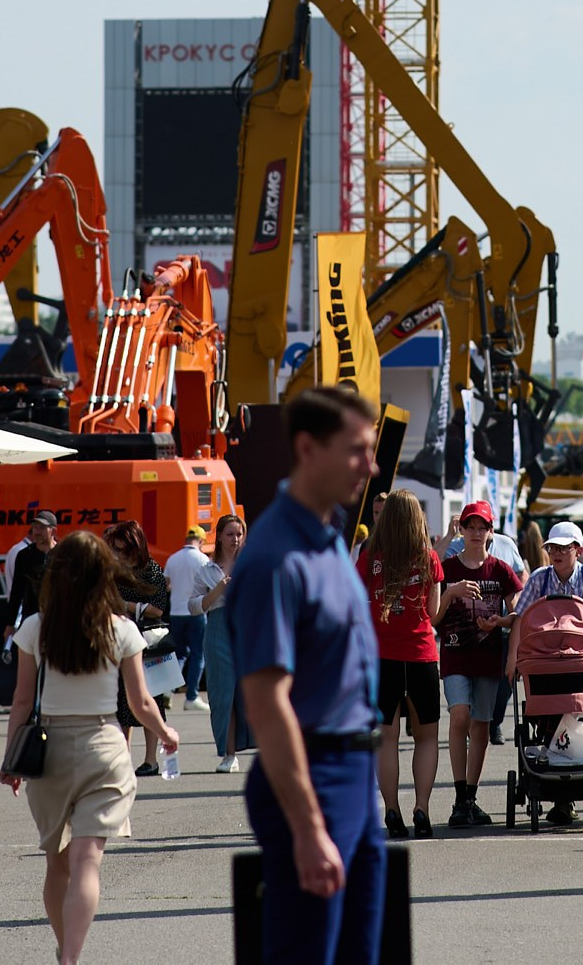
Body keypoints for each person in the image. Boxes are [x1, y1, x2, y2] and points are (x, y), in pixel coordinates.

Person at [230, 385, 387, 965]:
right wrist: (307, 825)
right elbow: (268, 706)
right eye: (356, 450)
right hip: (312, 780)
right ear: (306, 449)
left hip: (352, 777)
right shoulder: (276, 558)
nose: (369, 466)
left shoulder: (329, 542)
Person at [2, 530, 179, 965]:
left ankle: (67, 951)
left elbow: (22, 701)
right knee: (87, 862)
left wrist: (11, 759)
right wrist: (167, 732)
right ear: (104, 573)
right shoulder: (121, 628)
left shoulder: (35, 627)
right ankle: (71, 958)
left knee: (56, 863)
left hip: (50, 750)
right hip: (104, 745)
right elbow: (139, 703)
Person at [356, 490, 456, 841]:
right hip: (421, 656)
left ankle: (392, 810)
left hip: (380, 657)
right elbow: (432, 615)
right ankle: (422, 809)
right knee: (426, 738)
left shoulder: (369, 556)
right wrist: (452, 592)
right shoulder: (429, 557)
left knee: (386, 738)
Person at [506, 521, 583, 828]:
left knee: (577, 712)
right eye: (553, 548)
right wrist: (513, 657)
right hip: (545, 662)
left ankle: (567, 794)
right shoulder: (539, 578)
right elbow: (521, 618)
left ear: (578, 550)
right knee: (547, 716)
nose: (558, 553)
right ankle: (561, 795)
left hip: (579, 662)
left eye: (565, 548)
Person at [436, 501, 522, 827]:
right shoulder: (448, 568)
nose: (476, 532)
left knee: (482, 726)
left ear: (490, 531)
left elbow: (518, 612)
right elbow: (434, 618)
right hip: (456, 654)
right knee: (459, 716)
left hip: (488, 656)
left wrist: (500, 621)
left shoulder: (500, 569)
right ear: (461, 530)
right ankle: (460, 797)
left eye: (481, 527)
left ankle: (470, 797)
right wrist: (450, 593)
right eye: (470, 526)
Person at [106, 521, 176, 776]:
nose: (118, 554)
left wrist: (125, 605)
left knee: (151, 697)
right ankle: (122, 758)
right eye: (115, 548)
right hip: (117, 638)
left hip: (148, 640)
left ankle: (150, 760)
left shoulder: (152, 571)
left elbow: (157, 609)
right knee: (121, 702)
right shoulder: (113, 571)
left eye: (123, 549)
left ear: (136, 547)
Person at [196, 513, 248, 773]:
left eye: (239, 534)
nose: (235, 539)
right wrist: (218, 590)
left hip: (248, 629)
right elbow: (194, 606)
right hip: (218, 628)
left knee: (256, 691)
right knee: (223, 692)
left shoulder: (251, 564)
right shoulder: (206, 569)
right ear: (218, 536)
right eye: (229, 534)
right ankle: (229, 754)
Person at [164, 526, 215, 706]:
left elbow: (167, 584)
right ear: (201, 541)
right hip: (196, 612)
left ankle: (168, 691)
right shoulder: (203, 559)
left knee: (179, 654)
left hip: (176, 612)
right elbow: (211, 586)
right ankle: (191, 697)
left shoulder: (173, 558)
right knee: (198, 654)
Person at [5, 512, 59, 647]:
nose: (37, 532)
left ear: (53, 530)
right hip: (31, 618)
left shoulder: (63, 554)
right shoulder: (24, 556)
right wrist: (10, 623)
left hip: (58, 620)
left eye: (42, 528)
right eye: (35, 527)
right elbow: (16, 592)